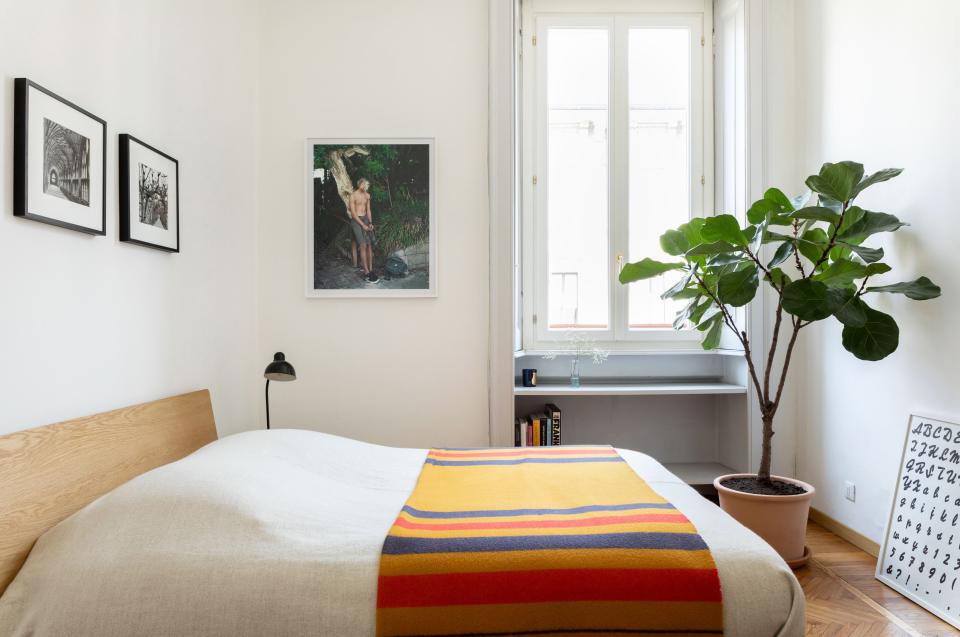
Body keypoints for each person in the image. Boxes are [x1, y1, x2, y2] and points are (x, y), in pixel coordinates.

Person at [349, 178, 378, 282]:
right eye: (364, 185)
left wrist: (370, 223)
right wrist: (363, 225)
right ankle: (366, 272)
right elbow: (353, 214)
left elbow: (368, 210)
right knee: (363, 245)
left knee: (369, 245)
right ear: (359, 184)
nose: (365, 188)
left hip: (365, 219)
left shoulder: (367, 195)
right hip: (356, 220)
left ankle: (371, 270)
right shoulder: (353, 195)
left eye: (367, 186)